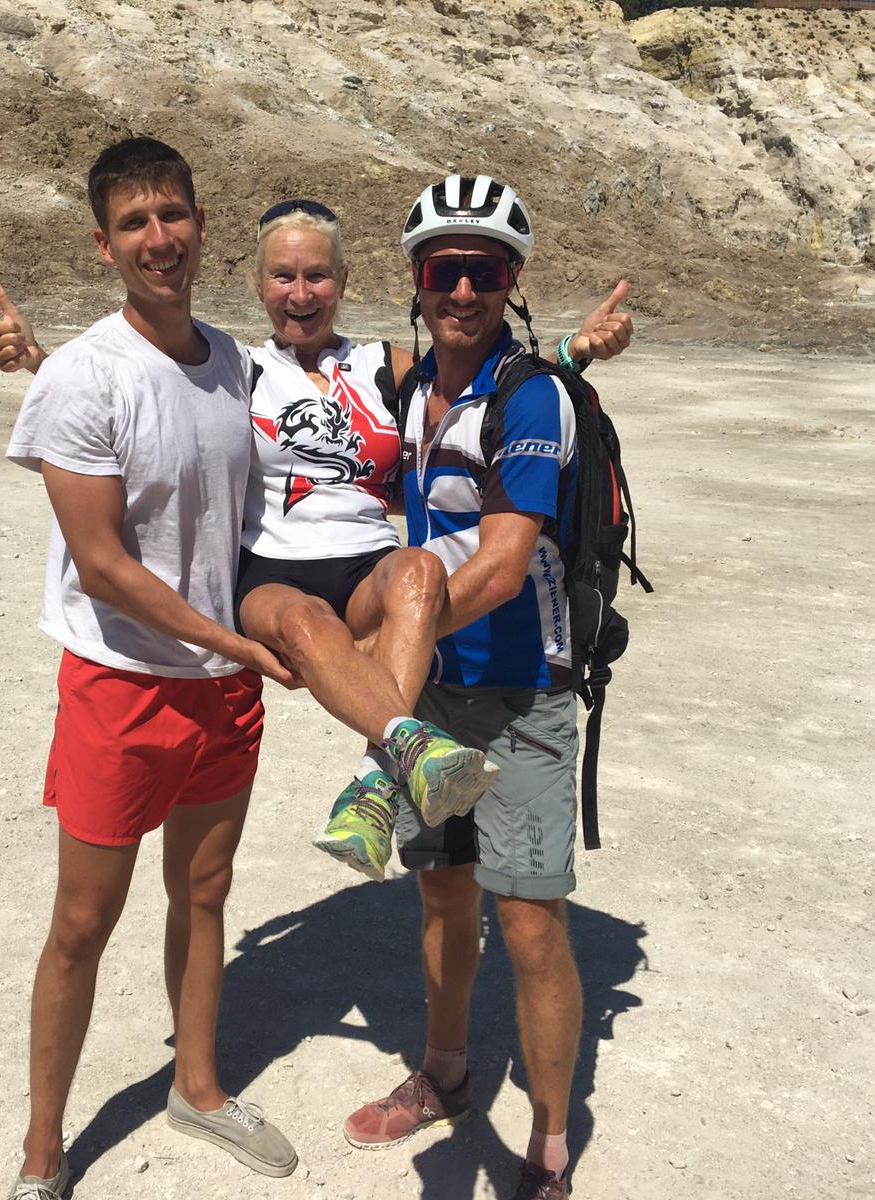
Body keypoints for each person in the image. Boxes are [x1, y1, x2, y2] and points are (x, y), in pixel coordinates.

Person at [0, 202, 633, 882]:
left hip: (365, 563)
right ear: (258, 284)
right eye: (283, 276)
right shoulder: (237, 368)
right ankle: (403, 754)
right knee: (304, 621)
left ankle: (376, 782)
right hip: (271, 569)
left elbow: (476, 381)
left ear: (343, 282)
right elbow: (146, 397)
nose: (301, 294)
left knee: (420, 571)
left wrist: (571, 354)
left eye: (318, 276)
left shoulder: (384, 366)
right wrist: (42, 363)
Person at [0, 136, 299, 1200]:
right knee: (82, 923)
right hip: (123, 686)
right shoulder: (81, 375)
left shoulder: (235, 364)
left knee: (205, 891)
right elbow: (104, 565)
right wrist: (235, 643)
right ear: (104, 244)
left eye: (172, 215)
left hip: (222, 690)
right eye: (134, 222)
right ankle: (44, 1151)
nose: (158, 238)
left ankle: (198, 1087)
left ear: (202, 225)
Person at [338, 174, 600, 1200]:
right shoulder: (410, 391)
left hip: (522, 697)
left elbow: (496, 569)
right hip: (433, 694)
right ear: (415, 277)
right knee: (444, 895)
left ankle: (548, 1145)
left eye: (482, 272)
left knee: (529, 923)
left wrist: (380, 634)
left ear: (510, 280)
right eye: (444, 269)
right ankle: (444, 1074)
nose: (461, 290)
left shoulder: (531, 399)